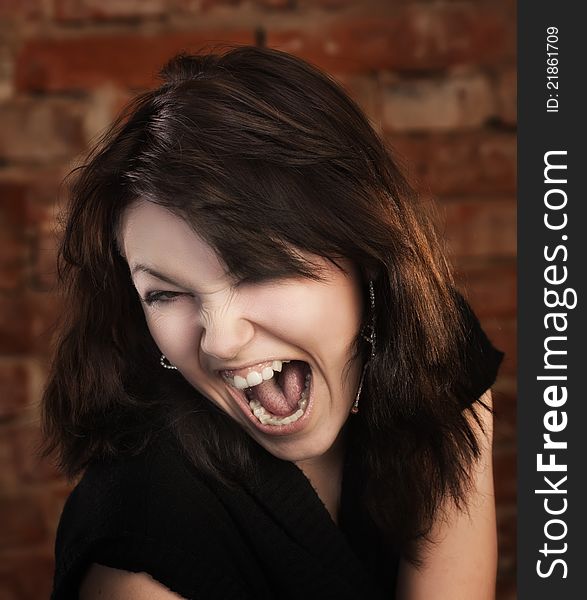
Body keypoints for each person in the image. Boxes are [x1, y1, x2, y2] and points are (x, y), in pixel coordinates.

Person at [43, 45, 503, 599]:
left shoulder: (433, 345)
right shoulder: (141, 543)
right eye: (165, 294)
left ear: (365, 255)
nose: (221, 341)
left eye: (256, 270)